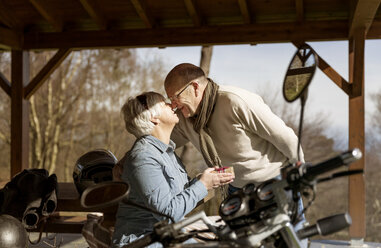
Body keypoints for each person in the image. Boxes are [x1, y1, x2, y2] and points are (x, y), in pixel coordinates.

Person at [164, 63, 308, 247]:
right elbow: (160, 140)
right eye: (170, 99)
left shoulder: (235, 101)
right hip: (237, 189)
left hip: (275, 183)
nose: (173, 104)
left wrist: (301, 173)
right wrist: (126, 162)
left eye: (176, 96)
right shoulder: (185, 118)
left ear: (194, 87)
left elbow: (284, 137)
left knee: (292, 241)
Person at [112, 92, 234, 248]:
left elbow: (178, 200)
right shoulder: (143, 158)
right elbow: (167, 214)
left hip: (168, 235)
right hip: (144, 241)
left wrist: (209, 181)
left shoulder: (165, 152)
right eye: (163, 103)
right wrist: (202, 185)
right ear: (153, 118)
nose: (172, 105)